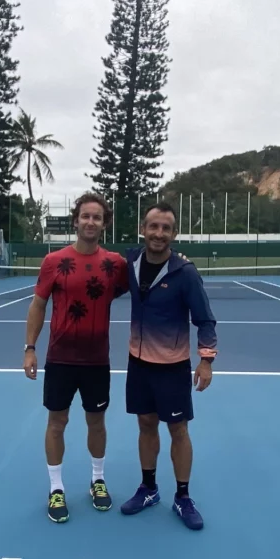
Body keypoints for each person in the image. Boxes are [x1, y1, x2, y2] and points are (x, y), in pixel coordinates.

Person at [23, 193, 128, 523]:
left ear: (104, 224)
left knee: (96, 423)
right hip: (60, 359)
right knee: (57, 423)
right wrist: (30, 348)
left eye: (97, 217)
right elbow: (39, 304)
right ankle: (56, 488)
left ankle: (97, 480)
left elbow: (141, 286)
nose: (91, 222)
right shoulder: (54, 261)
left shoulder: (115, 265)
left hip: (97, 361)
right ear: (75, 220)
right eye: (85, 216)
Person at [119, 202, 217, 530]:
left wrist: (205, 361)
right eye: (153, 226)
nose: (159, 233)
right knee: (146, 425)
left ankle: (183, 496)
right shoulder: (130, 262)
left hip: (173, 366)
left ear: (174, 233)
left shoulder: (185, 272)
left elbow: (205, 319)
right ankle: (148, 489)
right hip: (138, 363)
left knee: (178, 430)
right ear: (143, 229)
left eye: (166, 228)